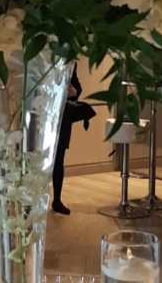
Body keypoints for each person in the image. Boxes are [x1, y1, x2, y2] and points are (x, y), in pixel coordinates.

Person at [52, 66, 96, 215]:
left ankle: (57, 200)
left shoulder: (70, 64)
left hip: (63, 117)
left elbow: (77, 87)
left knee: (59, 160)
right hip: (42, 118)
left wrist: (73, 91)